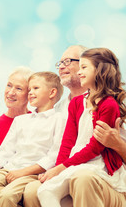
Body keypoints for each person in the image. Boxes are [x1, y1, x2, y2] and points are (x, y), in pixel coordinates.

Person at [23, 45, 126, 207]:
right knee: (36, 190)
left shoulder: (112, 104)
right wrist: (58, 169)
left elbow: (95, 147)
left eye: (70, 62)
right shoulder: (69, 106)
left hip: (97, 168)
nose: (79, 71)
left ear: (99, 70)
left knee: (82, 179)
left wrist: (118, 144)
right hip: (74, 163)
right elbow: (67, 143)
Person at [0, 71, 64, 207]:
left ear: (52, 93)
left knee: (6, 196)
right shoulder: (20, 120)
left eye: (35, 88)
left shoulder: (59, 119)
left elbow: (53, 156)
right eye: (29, 89)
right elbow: (6, 150)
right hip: (9, 169)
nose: (30, 92)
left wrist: (22, 172)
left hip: (32, 173)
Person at [0, 66, 33, 170]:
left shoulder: (37, 122)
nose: (11, 92)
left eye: (19, 88)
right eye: (9, 86)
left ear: (29, 94)